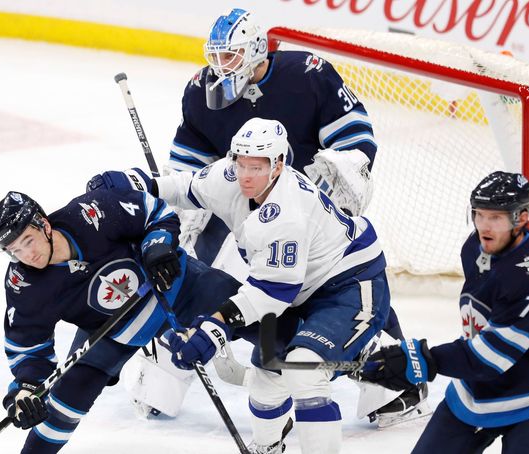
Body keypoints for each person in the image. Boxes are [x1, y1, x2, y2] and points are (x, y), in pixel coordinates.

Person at [91, 6, 425, 426]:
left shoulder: (307, 74)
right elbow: (189, 167)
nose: (218, 66)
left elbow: (355, 135)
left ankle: (390, 380)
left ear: (254, 51)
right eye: (214, 55)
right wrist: (179, 204)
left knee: (337, 292)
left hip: (310, 208)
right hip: (240, 205)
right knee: (199, 284)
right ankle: (166, 377)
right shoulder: (200, 93)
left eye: (228, 56)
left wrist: (341, 170)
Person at [141, 117, 389, 453]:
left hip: (350, 287)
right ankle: (267, 447)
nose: (245, 174)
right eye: (241, 163)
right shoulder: (230, 175)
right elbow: (184, 188)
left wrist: (215, 328)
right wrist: (139, 185)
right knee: (264, 381)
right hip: (300, 292)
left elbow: (271, 294)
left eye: (256, 167)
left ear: (279, 164)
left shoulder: (287, 214)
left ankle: (366, 352)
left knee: (303, 370)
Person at [0, 187, 242, 453]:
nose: (26, 256)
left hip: (175, 286)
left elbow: (154, 211)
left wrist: (157, 246)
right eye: (14, 250)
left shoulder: (91, 213)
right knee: (64, 401)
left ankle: (282, 404)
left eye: (28, 240)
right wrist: (26, 390)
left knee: (260, 316)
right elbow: (27, 347)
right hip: (112, 329)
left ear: (44, 224)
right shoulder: (24, 284)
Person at [355, 171, 529, 453]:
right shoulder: (475, 248)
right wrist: (416, 359)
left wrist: (422, 360)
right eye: (479, 214)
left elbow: (496, 354)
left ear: (521, 218)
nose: (484, 226)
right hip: (478, 392)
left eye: (496, 217)